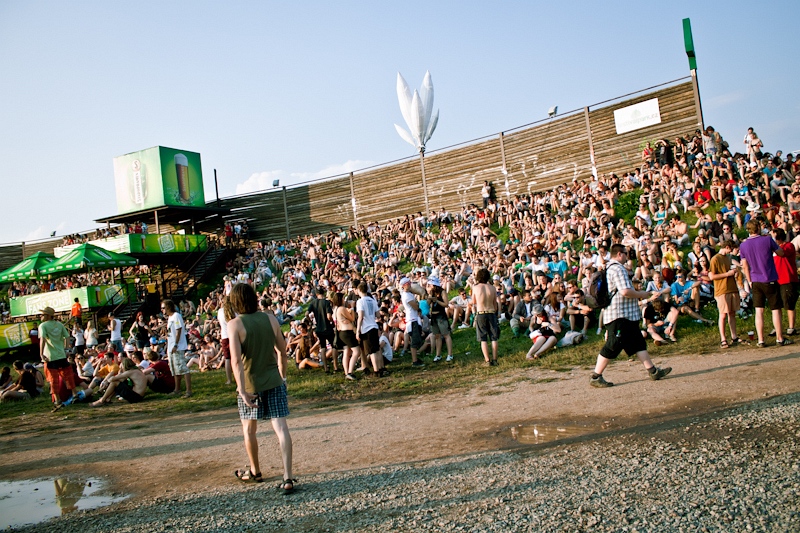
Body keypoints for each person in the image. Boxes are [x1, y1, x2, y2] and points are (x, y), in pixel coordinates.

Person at [227, 283, 295, 494]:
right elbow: (282, 352)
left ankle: (255, 470)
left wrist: (241, 390)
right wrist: (283, 377)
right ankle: (287, 476)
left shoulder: (235, 324)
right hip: (273, 379)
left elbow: (236, 361)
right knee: (281, 428)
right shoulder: (270, 318)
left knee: (249, 429)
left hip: (250, 384)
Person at [590, 244, 672, 388]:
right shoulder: (617, 268)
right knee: (612, 345)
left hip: (625, 315)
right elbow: (625, 292)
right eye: (626, 254)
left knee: (638, 343)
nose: (628, 257)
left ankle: (653, 371)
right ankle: (596, 376)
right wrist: (643, 294)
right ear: (620, 254)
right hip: (619, 314)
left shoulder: (611, 268)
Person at [739, 220, 792, 347]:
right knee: (775, 309)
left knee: (759, 310)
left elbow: (744, 265)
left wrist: (749, 280)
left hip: (755, 279)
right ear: (758, 228)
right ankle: (779, 338)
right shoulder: (767, 240)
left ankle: (761, 340)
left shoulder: (744, 245)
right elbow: (781, 253)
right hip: (769, 278)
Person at [39, 307, 85, 410]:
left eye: (43, 314)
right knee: (68, 376)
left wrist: (41, 354)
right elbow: (67, 336)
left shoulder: (43, 326)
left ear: (48, 315)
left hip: (50, 356)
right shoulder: (59, 324)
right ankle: (75, 394)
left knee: (53, 379)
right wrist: (66, 348)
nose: (40, 316)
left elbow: (42, 339)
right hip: (61, 355)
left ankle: (58, 400)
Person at [708, 240, 747, 348]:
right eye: (733, 249)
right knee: (723, 314)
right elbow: (711, 276)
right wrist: (727, 274)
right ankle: (723, 339)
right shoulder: (715, 259)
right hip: (721, 290)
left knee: (732, 313)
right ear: (728, 247)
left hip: (732, 288)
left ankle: (734, 336)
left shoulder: (729, 258)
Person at [162, 299, 193, 397]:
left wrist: (176, 344)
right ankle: (177, 389)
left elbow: (179, 330)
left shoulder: (176, 316)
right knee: (175, 369)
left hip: (177, 346)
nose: (162, 310)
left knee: (183, 368)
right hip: (171, 346)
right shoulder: (170, 318)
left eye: (163, 308)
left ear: (168, 307)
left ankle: (188, 391)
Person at [771, 228, 798, 336]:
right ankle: (778, 327)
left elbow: (782, 253)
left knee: (789, 303)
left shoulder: (788, 246)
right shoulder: (772, 249)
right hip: (775, 279)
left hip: (787, 279)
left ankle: (791, 327)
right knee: (777, 305)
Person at [356, 282, 386, 375]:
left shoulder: (360, 301)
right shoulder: (372, 300)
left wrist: (358, 330)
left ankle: (376, 370)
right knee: (376, 349)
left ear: (359, 290)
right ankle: (381, 368)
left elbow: (360, 316)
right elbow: (377, 315)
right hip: (374, 325)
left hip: (366, 327)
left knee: (371, 351)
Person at [471, 268, 500, 366]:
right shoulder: (492, 288)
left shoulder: (475, 287)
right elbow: (495, 304)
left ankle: (487, 360)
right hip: (491, 312)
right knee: (494, 338)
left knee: (483, 338)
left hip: (481, 312)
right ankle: (495, 359)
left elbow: (473, 302)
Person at [307, 287, 336, 373]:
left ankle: (325, 367)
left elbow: (306, 313)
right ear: (323, 293)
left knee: (322, 347)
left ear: (316, 294)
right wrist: (331, 321)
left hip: (319, 328)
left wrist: (311, 322)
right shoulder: (326, 302)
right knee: (334, 346)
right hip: (327, 327)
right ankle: (335, 366)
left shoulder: (313, 303)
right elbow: (329, 316)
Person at [426, 277, 453, 363]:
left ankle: (450, 354)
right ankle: (438, 355)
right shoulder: (432, 292)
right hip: (433, 316)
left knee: (446, 335)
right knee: (437, 336)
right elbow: (427, 303)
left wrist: (437, 300)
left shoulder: (442, 292)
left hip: (441, 315)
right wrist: (429, 297)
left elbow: (446, 304)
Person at [399, 277, 425, 367]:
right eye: (407, 283)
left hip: (413, 318)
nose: (410, 285)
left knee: (416, 339)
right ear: (404, 285)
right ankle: (414, 360)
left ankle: (416, 359)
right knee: (414, 340)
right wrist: (418, 305)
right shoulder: (406, 295)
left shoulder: (408, 294)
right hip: (412, 319)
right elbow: (415, 306)